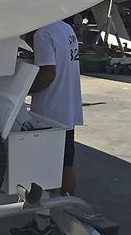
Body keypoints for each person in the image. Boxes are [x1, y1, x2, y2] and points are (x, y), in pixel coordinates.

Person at [29, 18, 83, 196]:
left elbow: (48, 73)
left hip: (49, 111)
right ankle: (66, 209)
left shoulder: (43, 34)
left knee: (44, 168)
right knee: (67, 162)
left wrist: (24, 90)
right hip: (67, 107)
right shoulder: (67, 29)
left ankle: (43, 220)